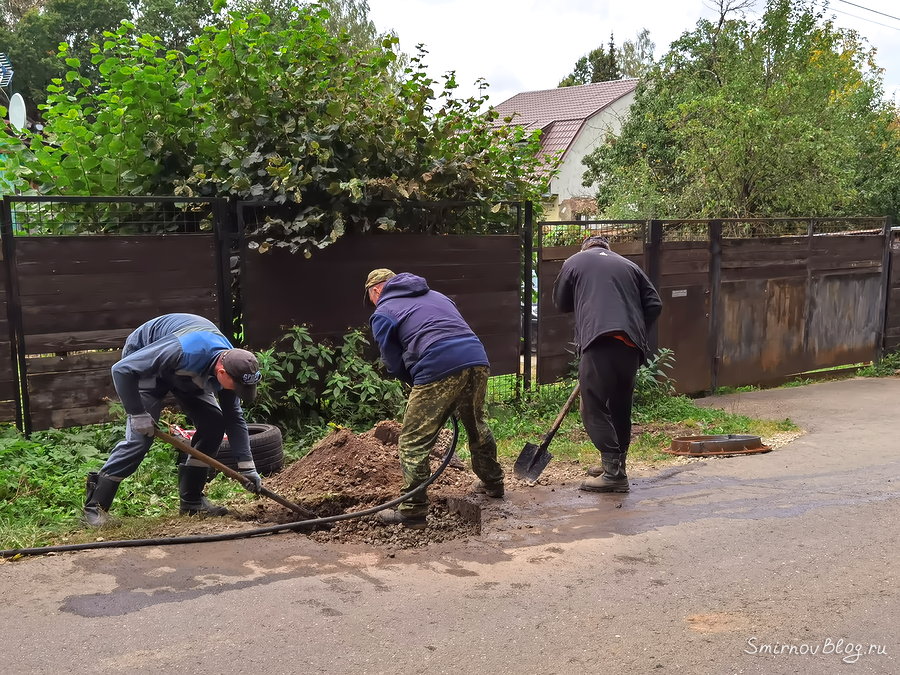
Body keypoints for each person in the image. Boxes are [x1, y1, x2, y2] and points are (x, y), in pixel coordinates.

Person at [83, 313, 263, 527]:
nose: (238, 391)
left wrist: (247, 467)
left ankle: (192, 501)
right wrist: (137, 413)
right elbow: (121, 369)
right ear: (222, 373)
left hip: (188, 370)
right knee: (140, 440)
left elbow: (234, 417)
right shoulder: (184, 349)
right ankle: (94, 508)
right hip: (148, 361)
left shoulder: (235, 367)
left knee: (214, 424)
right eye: (238, 387)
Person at [365, 268, 504, 529]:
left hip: (438, 362)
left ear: (376, 290)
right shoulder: (437, 295)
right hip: (476, 358)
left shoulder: (383, 311)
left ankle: (412, 511)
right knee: (476, 422)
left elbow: (393, 363)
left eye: (371, 297)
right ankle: (493, 482)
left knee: (412, 440)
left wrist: (421, 383)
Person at [553, 235, 662, 493]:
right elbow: (654, 304)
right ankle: (616, 465)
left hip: (599, 341)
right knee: (620, 407)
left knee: (592, 407)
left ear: (585, 248)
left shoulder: (574, 261)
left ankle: (613, 474)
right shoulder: (630, 266)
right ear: (608, 249)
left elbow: (560, 303)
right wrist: (633, 328)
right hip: (631, 347)